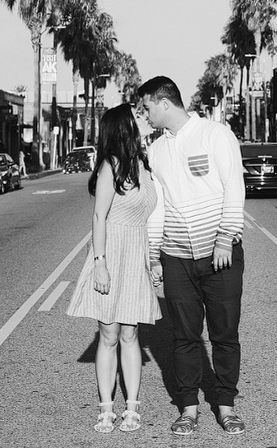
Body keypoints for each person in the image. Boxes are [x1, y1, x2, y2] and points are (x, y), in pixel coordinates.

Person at [138, 76, 247, 436]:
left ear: (164, 102)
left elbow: (234, 187)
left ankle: (226, 406)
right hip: (176, 258)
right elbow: (158, 208)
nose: (145, 114)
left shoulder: (215, 135)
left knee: (224, 334)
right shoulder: (156, 151)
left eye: (147, 106)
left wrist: (224, 239)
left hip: (221, 255)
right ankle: (188, 409)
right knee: (184, 336)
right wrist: (154, 255)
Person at [65, 103, 162, 434]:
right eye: (138, 115)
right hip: (111, 254)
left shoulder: (142, 164)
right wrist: (100, 264)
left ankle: (132, 407)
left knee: (131, 333)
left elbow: (148, 218)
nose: (144, 117)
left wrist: (152, 259)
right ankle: (106, 408)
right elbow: (99, 217)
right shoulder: (111, 166)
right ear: (125, 127)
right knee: (108, 334)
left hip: (135, 253)